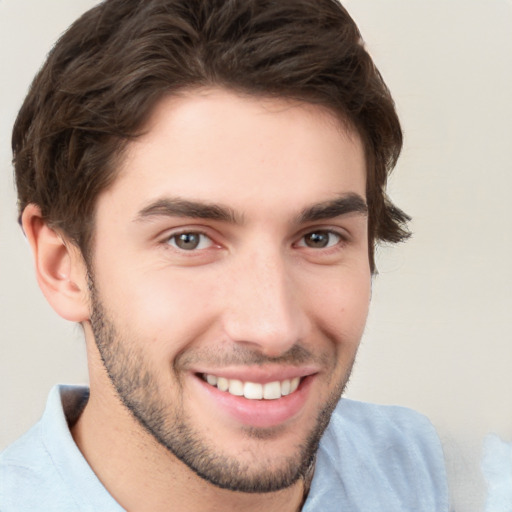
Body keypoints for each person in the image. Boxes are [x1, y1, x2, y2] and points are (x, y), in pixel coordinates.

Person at [0, 0, 449, 510]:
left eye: (319, 237)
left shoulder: (448, 481)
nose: (274, 327)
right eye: (188, 239)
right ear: (63, 267)